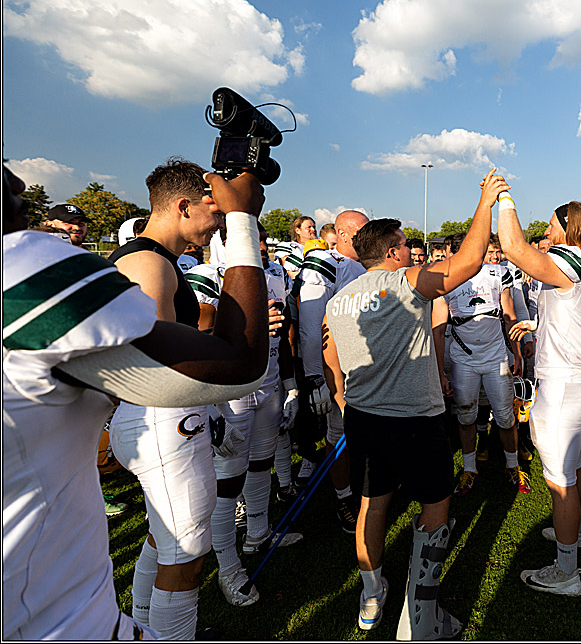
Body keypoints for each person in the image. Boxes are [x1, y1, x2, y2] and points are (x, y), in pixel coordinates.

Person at [3, 163, 271, 640]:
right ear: (184, 206)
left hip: (39, 590)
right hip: (162, 421)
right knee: (185, 558)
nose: (18, 182)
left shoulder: (156, 259)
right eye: (211, 208)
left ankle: (150, 622)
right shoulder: (144, 262)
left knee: (162, 541)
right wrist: (242, 219)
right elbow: (221, 363)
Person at [320, 169, 508, 638]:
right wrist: (484, 203)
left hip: (363, 419)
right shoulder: (403, 281)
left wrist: (344, 401)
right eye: (404, 244)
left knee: (372, 506)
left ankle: (371, 596)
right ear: (390, 252)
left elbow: (328, 356)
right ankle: (420, 619)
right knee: (435, 506)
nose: (411, 250)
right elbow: (464, 264)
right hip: (415, 420)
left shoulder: (339, 298)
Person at [184, 224, 303, 607]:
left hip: (266, 384)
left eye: (262, 239)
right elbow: (198, 332)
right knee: (226, 485)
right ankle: (229, 568)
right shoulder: (205, 276)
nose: (261, 247)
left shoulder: (273, 276)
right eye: (251, 239)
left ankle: (258, 533)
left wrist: (290, 384)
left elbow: (281, 335)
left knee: (260, 465)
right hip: (228, 394)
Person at [499, 194, 581, 597]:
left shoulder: (569, 258)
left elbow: (512, 247)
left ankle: (566, 572)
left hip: (563, 385)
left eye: (551, 224)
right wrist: (537, 325)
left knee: (559, 481)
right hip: (580, 377)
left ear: (570, 226)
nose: (546, 231)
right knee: (575, 464)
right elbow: (572, 312)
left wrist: (504, 200)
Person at [433, 232, 530, 498]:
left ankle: (512, 465)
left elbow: (509, 316)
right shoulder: (444, 276)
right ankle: (469, 468)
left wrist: (517, 353)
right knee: (465, 414)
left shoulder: (499, 273)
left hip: (496, 354)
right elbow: (438, 329)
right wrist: (440, 370)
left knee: (505, 415)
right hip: (463, 358)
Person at [296, 209, 368, 530]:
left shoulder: (368, 264)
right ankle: (343, 498)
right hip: (339, 367)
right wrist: (317, 379)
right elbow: (312, 327)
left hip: (369, 365)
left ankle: (369, 492)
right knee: (339, 435)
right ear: (343, 234)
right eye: (363, 231)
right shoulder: (323, 264)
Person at [278, 215, 317, 279]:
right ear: (297, 230)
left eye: (314, 227)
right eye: (309, 227)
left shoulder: (319, 249)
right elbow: (287, 271)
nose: (313, 229)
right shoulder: (287, 246)